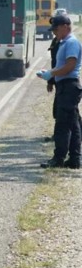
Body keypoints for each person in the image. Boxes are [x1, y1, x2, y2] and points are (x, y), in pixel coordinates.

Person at [37, 15, 82, 169]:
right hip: (66, 86)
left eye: (56, 29)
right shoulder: (64, 42)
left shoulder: (71, 43)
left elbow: (70, 66)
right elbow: (63, 65)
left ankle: (59, 158)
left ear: (65, 26)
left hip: (69, 86)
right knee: (73, 124)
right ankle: (75, 159)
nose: (54, 32)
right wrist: (50, 74)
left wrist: (52, 74)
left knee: (62, 125)